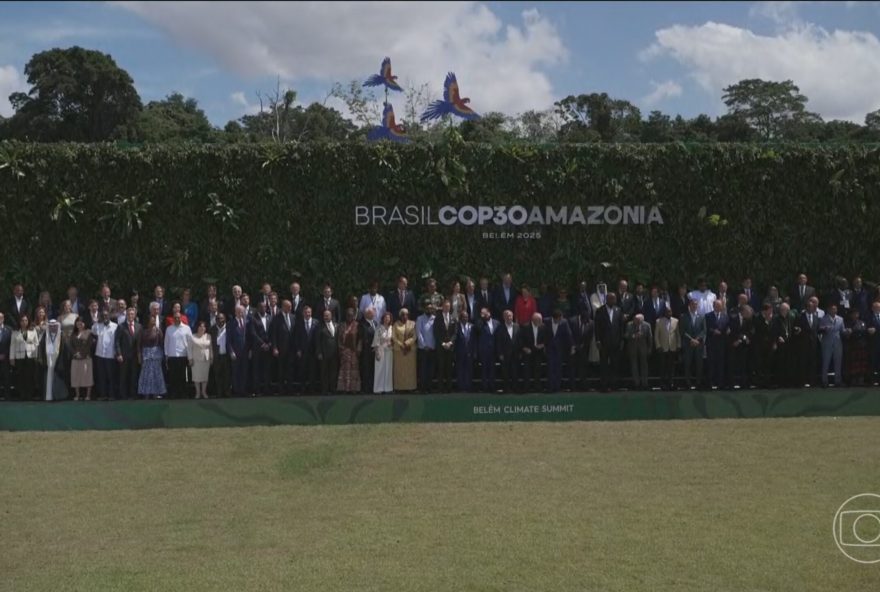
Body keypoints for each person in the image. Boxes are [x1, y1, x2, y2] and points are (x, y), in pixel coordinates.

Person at [595, 293, 625, 392]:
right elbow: (597, 327)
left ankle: (614, 385)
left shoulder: (618, 310)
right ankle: (604, 385)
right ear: (607, 299)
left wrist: (621, 340)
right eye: (612, 299)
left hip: (615, 342)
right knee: (604, 365)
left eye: (615, 299)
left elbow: (621, 327)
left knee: (614, 364)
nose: (614, 301)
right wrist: (598, 340)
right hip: (603, 343)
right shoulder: (600, 310)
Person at [269, 300, 297, 394]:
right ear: (283, 307)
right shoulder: (276, 318)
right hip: (281, 349)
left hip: (291, 349)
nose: (290, 308)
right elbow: (273, 334)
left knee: (290, 369)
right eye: (288, 306)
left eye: (290, 306)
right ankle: (281, 389)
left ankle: (290, 388)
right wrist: (275, 347)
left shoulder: (293, 317)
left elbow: (295, 333)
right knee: (281, 369)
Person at [164, 311, 193, 398]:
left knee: (183, 376)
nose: (177, 319)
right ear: (173, 318)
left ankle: (183, 394)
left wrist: (190, 356)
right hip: (172, 356)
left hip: (183, 356)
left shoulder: (187, 328)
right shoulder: (169, 329)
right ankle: (173, 394)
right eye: (175, 317)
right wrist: (166, 355)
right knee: (173, 377)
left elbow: (190, 343)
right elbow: (166, 343)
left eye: (178, 317)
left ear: (181, 318)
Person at [793, 297, 821, 387]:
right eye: (809, 307)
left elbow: (817, 330)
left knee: (812, 363)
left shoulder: (816, 318)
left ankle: (812, 381)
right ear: (806, 308)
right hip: (803, 344)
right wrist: (797, 329)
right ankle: (802, 382)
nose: (810, 308)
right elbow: (796, 328)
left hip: (813, 344)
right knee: (803, 363)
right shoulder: (800, 317)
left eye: (812, 307)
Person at [115, 307, 141, 400]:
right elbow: (117, 341)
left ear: (134, 315)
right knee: (123, 376)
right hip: (124, 355)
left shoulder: (139, 326)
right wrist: (119, 354)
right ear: (126, 315)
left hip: (134, 356)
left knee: (134, 375)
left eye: (132, 314)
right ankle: (123, 395)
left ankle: (133, 394)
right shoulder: (121, 326)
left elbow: (140, 342)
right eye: (129, 314)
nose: (130, 316)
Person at [679, 299, 706, 390]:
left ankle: (698, 383)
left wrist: (697, 339)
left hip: (698, 344)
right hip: (688, 344)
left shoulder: (701, 316)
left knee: (699, 364)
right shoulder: (683, 316)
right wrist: (691, 339)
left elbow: (704, 330)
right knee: (687, 364)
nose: (694, 306)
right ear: (689, 305)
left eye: (696, 305)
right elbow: (682, 331)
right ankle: (688, 383)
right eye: (693, 304)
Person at [37, 320, 67, 401]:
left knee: (57, 378)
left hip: (58, 359)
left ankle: (58, 396)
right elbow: (41, 348)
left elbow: (64, 349)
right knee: (48, 378)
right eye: (51, 326)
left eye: (55, 326)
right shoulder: (44, 335)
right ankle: (48, 396)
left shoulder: (62, 335)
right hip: (47, 359)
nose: (53, 327)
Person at [137, 316, 166, 399]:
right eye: (151, 320)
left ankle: (156, 393)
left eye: (154, 320)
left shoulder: (158, 331)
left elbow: (161, 343)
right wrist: (139, 355)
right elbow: (139, 344)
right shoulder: (142, 331)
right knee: (146, 374)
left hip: (156, 355)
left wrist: (162, 355)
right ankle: (146, 393)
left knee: (156, 374)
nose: (153, 322)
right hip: (146, 355)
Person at [92, 309, 118, 400]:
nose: (105, 317)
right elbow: (93, 331)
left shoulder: (115, 326)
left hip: (110, 355)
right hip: (100, 354)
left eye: (106, 315)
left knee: (111, 376)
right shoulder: (98, 326)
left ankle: (111, 395)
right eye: (103, 316)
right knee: (101, 376)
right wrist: (97, 321)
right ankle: (102, 395)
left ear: (110, 316)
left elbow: (117, 341)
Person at [545, 309, 573, 392]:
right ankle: (550, 387)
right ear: (555, 318)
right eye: (559, 319)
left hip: (560, 349)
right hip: (549, 348)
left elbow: (569, 334)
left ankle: (557, 387)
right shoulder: (546, 321)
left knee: (558, 369)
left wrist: (572, 346)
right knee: (550, 368)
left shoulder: (564, 322)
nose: (560, 320)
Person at [248, 301, 272, 396]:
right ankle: (257, 390)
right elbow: (253, 333)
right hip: (257, 348)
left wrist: (269, 344)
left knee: (267, 369)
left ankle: (266, 389)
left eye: (265, 307)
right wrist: (262, 344)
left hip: (268, 348)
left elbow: (272, 331)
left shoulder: (270, 317)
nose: (263, 309)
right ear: (257, 308)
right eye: (261, 307)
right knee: (256, 370)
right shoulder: (253, 318)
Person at [728, 305, 755, 389]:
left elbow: (749, 332)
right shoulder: (733, 318)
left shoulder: (748, 320)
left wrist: (742, 339)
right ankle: (731, 384)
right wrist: (738, 339)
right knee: (732, 364)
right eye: (748, 313)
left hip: (743, 345)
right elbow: (732, 331)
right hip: (733, 345)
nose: (750, 315)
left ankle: (743, 383)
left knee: (743, 364)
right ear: (743, 312)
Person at [705, 300, 729, 389]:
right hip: (711, 343)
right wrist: (713, 331)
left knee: (720, 364)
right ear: (713, 306)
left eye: (720, 306)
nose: (719, 307)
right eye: (717, 306)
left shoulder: (725, 316)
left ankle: (720, 383)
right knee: (711, 363)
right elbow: (706, 328)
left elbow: (726, 327)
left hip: (721, 343)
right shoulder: (708, 316)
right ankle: (710, 383)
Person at [294, 306, 319, 394]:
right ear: (303, 313)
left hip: (313, 351)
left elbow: (318, 338)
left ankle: (312, 389)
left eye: (309, 312)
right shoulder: (299, 323)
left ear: (311, 313)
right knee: (302, 371)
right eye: (306, 312)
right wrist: (298, 350)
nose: (307, 314)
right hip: (303, 351)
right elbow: (296, 338)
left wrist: (318, 350)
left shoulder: (316, 322)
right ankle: (302, 389)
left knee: (312, 371)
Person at [520, 312, 547, 393]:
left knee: (537, 370)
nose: (541, 322)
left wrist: (542, 345)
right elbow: (520, 340)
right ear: (533, 320)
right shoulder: (525, 327)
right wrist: (524, 348)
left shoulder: (543, 326)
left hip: (538, 351)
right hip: (528, 351)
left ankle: (537, 387)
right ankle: (526, 388)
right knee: (527, 370)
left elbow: (546, 338)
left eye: (541, 320)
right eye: (539, 320)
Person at [433, 300, 457, 393]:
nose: (447, 308)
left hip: (450, 347)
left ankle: (449, 388)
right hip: (441, 346)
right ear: (442, 307)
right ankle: (440, 388)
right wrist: (442, 343)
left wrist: (450, 342)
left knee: (449, 368)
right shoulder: (437, 318)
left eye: (448, 306)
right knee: (441, 368)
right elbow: (436, 332)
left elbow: (455, 333)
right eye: (445, 306)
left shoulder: (453, 318)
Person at [654, 308, 680, 391]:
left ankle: (671, 383)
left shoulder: (676, 321)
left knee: (671, 367)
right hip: (663, 347)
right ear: (664, 313)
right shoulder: (659, 321)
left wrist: (678, 345)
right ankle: (662, 383)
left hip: (672, 347)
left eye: (670, 311)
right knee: (663, 367)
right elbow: (656, 335)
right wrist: (658, 346)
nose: (669, 313)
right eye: (668, 312)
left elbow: (677, 334)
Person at [624, 313, 652, 390]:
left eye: (639, 320)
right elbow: (626, 335)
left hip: (643, 348)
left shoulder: (647, 325)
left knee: (644, 366)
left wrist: (649, 348)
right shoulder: (629, 325)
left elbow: (650, 338)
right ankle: (636, 383)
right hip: (633, 348)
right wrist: (633, 336)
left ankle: (645, 383)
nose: (637, 322)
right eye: (636, 320)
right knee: (634, 366)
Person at [392, 308, 417, 392]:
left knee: (410, 370)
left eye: (406, 314)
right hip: (399, 351)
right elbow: (393, 337)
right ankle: (399, 388)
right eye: (402, 314)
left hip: (410, 350)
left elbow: (415, 336)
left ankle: (410, 387)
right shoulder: (396, 324)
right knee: (399, 370)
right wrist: (401, 345)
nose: (404, 316)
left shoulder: (413, 324)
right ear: (400, 315)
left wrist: (407, 343)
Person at [772, 302, 796, 387]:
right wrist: (778, 337)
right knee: (780, 363)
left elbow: (793, 328)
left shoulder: (791, 317)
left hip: (789, 343)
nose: (783, 311)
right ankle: (780, 382)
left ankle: (788, 382)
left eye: (785, 310)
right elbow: (773, 330)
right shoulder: (776, 318)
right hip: (780, 344)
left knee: (789, 363)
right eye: (781, 309)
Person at [819, 304, 844, 387]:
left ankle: (838, 381)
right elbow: (820, 329)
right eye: (832, 309)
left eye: (835, 309)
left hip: (837, 343)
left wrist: (847, 331)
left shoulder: (840, 319)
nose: (834, 311)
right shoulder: (823, 319)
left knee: (838, 362)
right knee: (826, 362)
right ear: (829, 310)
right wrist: (824, 328)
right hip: (827, 343)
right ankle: (824, 381)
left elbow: (842, 330)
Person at [68, 317, 93, 400]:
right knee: (75, 376)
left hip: (86, 358)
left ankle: (88, 395)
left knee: (87, 376)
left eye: (81, 323)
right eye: (78, 323)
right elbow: (70, 345)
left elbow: (89, 345)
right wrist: (75, 354)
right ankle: (77, 395)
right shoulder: (73, 333)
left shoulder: (88, 332)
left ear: (84, 324)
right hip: (75, 358)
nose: (80, 324)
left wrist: (82, 354)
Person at [568, 307, 593, 391]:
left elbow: (589, 337)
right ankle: (572, 386)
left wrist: (583, 345)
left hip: (583, 349)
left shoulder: (591, 323)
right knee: (572, 368)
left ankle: (583, 386)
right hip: (573, 348)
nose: (586, 321)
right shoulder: (572, 321)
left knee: (583, 367)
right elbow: (569, 334)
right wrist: (574, 346)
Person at [337, 308, 361, 393]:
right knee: (345, 370)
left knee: (354, 370)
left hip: (354, 351)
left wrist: (358, 349)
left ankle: (354, 389)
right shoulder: (342, 325)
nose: (349, 316)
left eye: (351, 315)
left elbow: (360, 338)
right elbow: (339, 338)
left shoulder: (357, 325)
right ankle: (345, 388)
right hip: (345, 351)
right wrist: (341, 349)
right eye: (348, 315)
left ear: (354, 316)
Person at [315, 309, 339, 395]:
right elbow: (317, 341)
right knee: (324, 373)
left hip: (334, 354)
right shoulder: (319, 326)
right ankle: (324, 390)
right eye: (325, 315)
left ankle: (332, 389)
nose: (326, 317)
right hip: (324, 354)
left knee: (333, 372)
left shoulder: (336, 325)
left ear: (331, 316)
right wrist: (319, 353)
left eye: (328, 315)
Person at [843, 308, 869, 386]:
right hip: (853, 346)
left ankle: (861, 380)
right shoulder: (848, 323)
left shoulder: (862, 323)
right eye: (854, 314)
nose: (855, 315)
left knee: (861, 363)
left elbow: (865, 332)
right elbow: (846, 335)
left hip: (862, 345)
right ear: (851, 315)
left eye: (857, 314)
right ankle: (853, 380)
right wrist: (848, 333)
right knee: (853, 364)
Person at [228, 305, 250, 396]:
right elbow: (228, 340)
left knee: (244, 371)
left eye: (242, 312)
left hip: (245, 352)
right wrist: (231, 351)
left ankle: (243, 390)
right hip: (235, 353)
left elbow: (249, 338)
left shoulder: (247, 322)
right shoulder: (231, 323)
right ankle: (236, 391)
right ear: (235, 312)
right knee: (236, 372)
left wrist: (250, 350)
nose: (241, 313)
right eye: (239, 311)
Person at [477, 307, 499, 392]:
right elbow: (478, 328)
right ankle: (485, 387)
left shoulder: (496, 323)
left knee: (492, 369)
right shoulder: (480, 323)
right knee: (484, 369)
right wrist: (482, 318)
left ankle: (492, 386)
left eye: (485, 313)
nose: (484, 315)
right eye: (482, 313)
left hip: (493, 350)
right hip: (484, 350)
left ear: (489, 312)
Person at [209, 313, 231, 398]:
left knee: (227, 375)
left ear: (225, 319)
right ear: (216, 320)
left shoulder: (229, 328)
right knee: (217, 375)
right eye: (218, 319)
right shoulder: (212, 329)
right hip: (216, 356)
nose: (220, 321)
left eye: (222, 319)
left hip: (226, 355)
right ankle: (219, 393)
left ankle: (227, 392)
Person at [189, 321, 213, 399]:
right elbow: (189, 349)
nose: (202, 328)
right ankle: (198, 393)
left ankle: (204, 392)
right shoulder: (192, 336)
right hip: (196, 360)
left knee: (204, 377)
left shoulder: (208, 336)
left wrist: (211, 357)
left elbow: (210, 348)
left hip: (206, 359)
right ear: (197, 327)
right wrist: (190, 359)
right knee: (196, 377)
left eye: (204, 327)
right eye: (200, 326)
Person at [416, 303, 436, 392]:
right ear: (424, 309)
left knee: (431, 369)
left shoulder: (435, 318)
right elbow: (419, 333)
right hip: (423, 348)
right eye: (427, 308)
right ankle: (423, 388)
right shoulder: (420, 318)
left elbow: (436, 334)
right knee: (423, 369)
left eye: (431, 308)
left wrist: (433, 345)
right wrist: (424, 345)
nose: (429, 310)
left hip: (432, 348)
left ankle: (430, 387)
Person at [372, 312, 394, 394]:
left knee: (388, 369)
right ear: (383, 318)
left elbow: (394, 339)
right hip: (380, 350)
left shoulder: (392, 328)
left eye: (388, 318)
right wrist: (377, 351)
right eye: (385, 317)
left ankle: (388, 388)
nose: (387, 319)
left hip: (389, 351)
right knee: (379, 369)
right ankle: (378, 388)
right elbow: (376, 340)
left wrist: (392, 343)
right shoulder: (379, 328)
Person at [455, 310, 476, 392]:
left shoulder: (472, 326)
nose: (465, 318)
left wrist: (474, 352)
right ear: (460, 318)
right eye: (463, 317)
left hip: (469, 351)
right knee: (460, 369)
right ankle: (461, 387)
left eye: (466, 317)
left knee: (469, 369)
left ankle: (468, 386)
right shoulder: (457, 326)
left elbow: (474, 340)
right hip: (460, 351)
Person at [359, 307, 378, 394]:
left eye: (373, 313)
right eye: (371, 313)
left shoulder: (375, 323)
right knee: (366, 370)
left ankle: (373, 387)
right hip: (366, 351)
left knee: (373, 370)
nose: (373, 314)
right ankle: (366, 388)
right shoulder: (362, 324)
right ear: (367, 314)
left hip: (375, 351)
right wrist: (372, 346)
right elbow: (364, 338)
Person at [868, 301, 880, 386]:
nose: (877, 309)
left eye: (878, 307)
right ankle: (871, 381)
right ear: (872, 308)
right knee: (872, 362)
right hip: (873, 344)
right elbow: (866, 327)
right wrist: (869, 329)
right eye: (875, 307)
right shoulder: (869, 317)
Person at [0, 314, 10, 400]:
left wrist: (5, 354)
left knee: (6, 377)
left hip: (5, 358)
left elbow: (11, 344)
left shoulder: (9, 329)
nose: (0, 319)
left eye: (1, 317)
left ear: (3, 319)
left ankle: (7, 396)